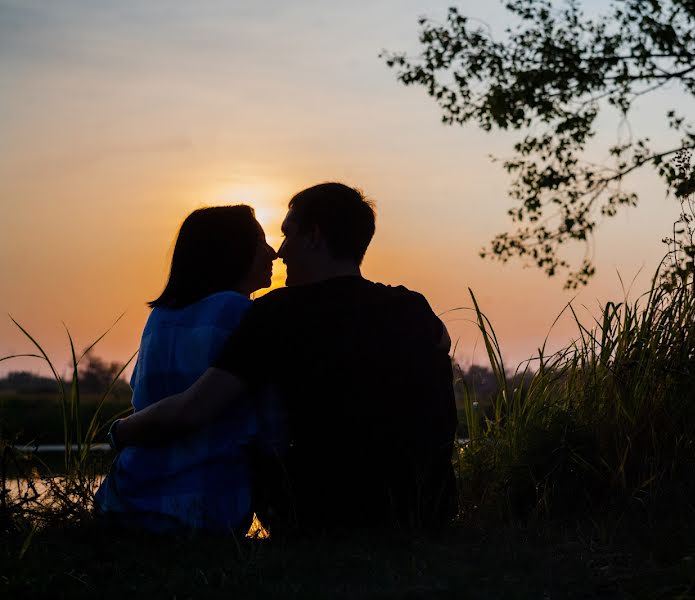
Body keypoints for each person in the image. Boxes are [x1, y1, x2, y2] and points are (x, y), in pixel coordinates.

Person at [110, 182, 458, 534]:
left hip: (324, 516)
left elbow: (194, 409)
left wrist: (122, 431)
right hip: (428, 509)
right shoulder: (411, 306)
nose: (280, 251)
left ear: (314, 237)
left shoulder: (274, 315)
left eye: (287, 234)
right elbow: (442, 343)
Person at [95, 205, 277, 533]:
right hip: (203, 507)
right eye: (261, 242)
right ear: (234, 251)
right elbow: (270, 422)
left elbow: (144, 397)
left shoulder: (159, 317)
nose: (273, 252)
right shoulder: (240, 312)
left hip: (128, 498)